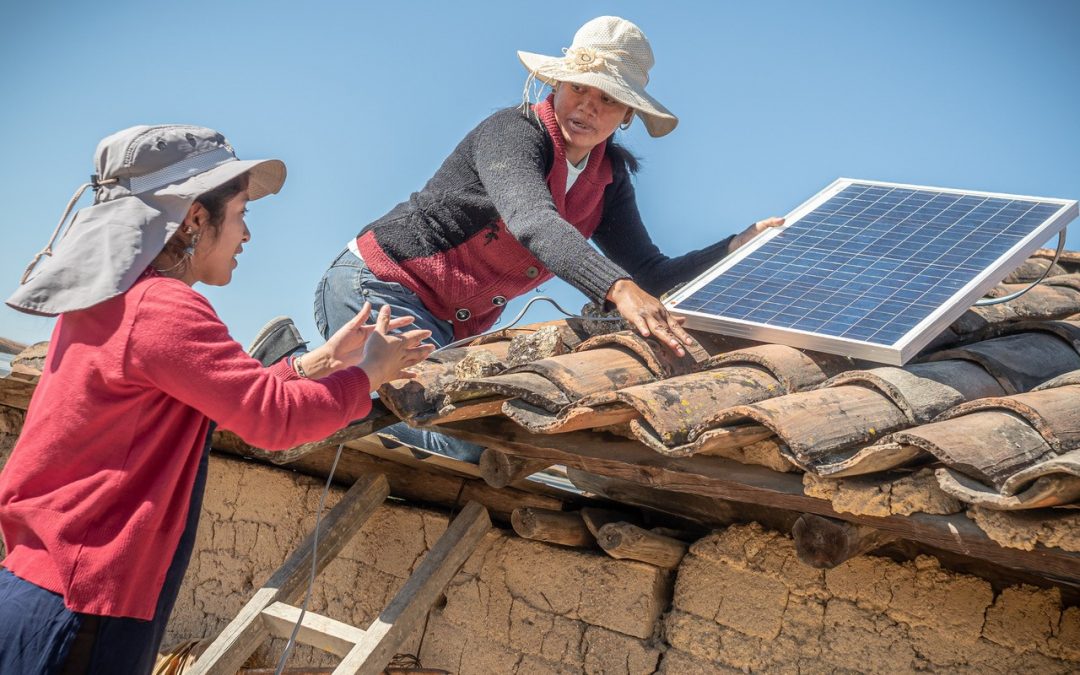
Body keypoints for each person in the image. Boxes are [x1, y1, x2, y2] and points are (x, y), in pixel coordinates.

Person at [0, 125, 434, 674]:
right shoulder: (163, 309)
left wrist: (321, 362)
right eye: (242, 212)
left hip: (44, 588)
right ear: (195, 219)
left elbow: (223, 395)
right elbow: (273, 420)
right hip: (83, 603)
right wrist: (370, 373)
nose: (247, 234)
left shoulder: (110, 300)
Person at [312, 16, 782, 461]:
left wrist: (734, 247)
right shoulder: (512, 132)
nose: (587, 107)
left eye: (608, 100)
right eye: (579, 88)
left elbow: (651, 274)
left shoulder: (608, 178)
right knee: (455, 442)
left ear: (626, 116)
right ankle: (295, 370)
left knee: (481, 437)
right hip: (381, 288)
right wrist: (617, 290)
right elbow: (533, 220)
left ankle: (311, 383)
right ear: (557, 85)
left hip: (449, 325)